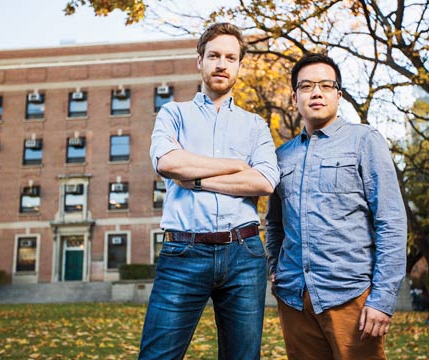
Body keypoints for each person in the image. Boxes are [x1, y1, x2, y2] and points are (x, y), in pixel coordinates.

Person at [139, 23, 280, 360]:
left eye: (230, 57)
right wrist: (234, 164)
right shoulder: (174, 113)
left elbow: (264, 181)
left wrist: (198, 179)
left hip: (244, 254)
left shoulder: (255, 125)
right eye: (213, 55)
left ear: (239, 66)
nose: (221, 63)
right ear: (198, 61)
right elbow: (168, 163)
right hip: (184, 252)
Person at [265, 52, 407, 360]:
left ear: (338, 95)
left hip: (351, 297)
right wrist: (275, 268)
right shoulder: (281, 156)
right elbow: (275, 223)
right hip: (294, 299)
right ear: (294, 97)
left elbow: (391, 221)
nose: (316, 92)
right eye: (306, 86)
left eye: (326, 85)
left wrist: (381, 299)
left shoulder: (364, 140)